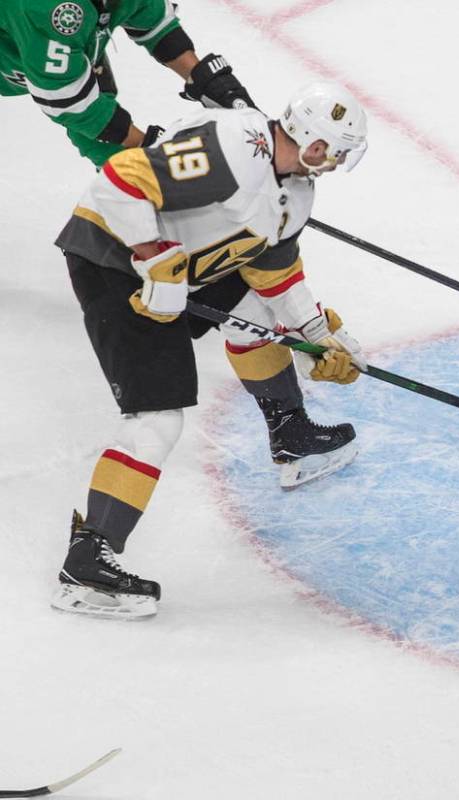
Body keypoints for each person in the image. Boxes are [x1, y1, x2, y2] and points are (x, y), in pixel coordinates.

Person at [51, 81, 370, 620]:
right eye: (334, 150)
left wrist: (318, 339)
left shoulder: (296, 191)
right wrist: (153, 258)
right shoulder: (235, 147)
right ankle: (85, 562)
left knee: (262, 315)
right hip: (112, 261)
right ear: (313, 141)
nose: (335, 162)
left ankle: (289, 434)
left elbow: (274, 274)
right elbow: (119, 182)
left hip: (186, 268)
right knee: (156, 420)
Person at [0, 0, 253, 166]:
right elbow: (73, 106)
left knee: (101, 105)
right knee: (100, 119)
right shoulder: (46, 9)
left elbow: (154, 22)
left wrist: (208, 81)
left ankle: (131, 192)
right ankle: (128, 196)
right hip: (18, 61)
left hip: (39, 51)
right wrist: (147, 148)